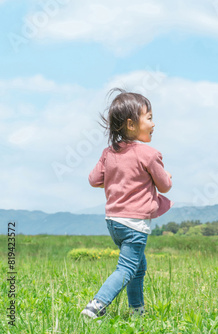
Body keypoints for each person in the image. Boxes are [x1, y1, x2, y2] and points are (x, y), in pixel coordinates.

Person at [81, 88, 173, 319]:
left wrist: (118, 179)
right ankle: (96, 304)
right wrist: (167, 177)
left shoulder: (109, 152)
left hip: (114, 223)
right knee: (127, 268)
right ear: (132, 125)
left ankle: (137, 311)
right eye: (150, 118)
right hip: (134, 224)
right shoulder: (149, 154)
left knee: (138, 268)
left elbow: (94, 180)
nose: (154, 123)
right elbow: (164, 187)